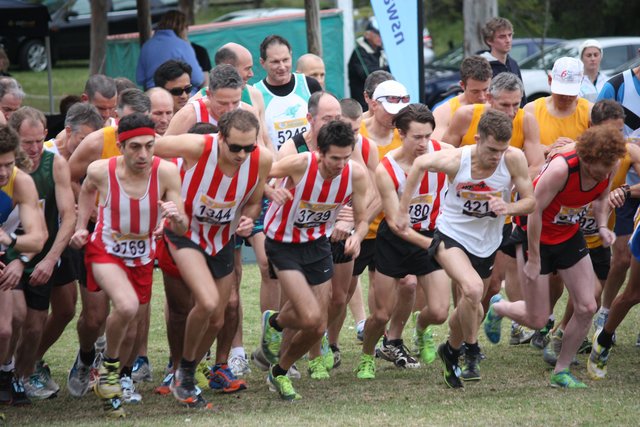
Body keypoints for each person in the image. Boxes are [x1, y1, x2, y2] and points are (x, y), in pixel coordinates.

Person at [397, 109, 535, 388]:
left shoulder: (513, 159)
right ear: (477, 139)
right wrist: (402, 210)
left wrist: (508, 207)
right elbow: (420, 163)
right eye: (492, 149)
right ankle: (471, 350)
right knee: (472, 290)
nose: (497, 156)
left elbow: (530, 201)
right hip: (451, 235)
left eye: (502, 149)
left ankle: (450, 350)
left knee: (474, 310)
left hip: (488, 242)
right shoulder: (456, 160)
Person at [486, 125, 626, 388]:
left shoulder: (609, 167)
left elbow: (600, 199)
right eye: (598, 168)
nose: (602, 174)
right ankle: (499, 308)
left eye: (608, 168)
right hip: (534, 234)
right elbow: (533, 211)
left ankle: (560, 371)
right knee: (538, 318)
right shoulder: (562, 169)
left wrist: (603, 226)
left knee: (587, 306)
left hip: (567, 235)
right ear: (586, 157)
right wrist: (535, 258)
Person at [70, 113, 187, 417]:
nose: (144, 155)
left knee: (132, 326)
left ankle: (111, 386)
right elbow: (85, 190)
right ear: (120, 146)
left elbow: (184, 227)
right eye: (135, 147)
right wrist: (82, 225)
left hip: (142, 255)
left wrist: (176, 217)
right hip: (105, 249)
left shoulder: (167, 173)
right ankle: (106, 369)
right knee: (125, 306)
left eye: (150, 146)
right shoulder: (101, 170)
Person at [154, 109, 271, 407]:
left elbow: (255, 202)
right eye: (235, 148)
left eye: (249, 147)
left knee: (217, 316)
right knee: (203, 303)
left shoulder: (262, 160)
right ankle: (184, 372)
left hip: (221, 240)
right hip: (185, 233)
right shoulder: (199, 147)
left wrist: (248, 219)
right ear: (220, 138)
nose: (242, 154)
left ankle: (186, 373)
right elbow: (151, 145)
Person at [261, 119, 369, 400]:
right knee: (309, 315)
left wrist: (357, 234)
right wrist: (269, 189)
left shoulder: (355, 174)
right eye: (334, 158)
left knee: (318, 326)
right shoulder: (300, 164)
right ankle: (276, 326)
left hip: (317, 244)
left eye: (346, 157)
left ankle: (279, 369)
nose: (341, 164)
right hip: (282, 243)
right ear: (319, 152)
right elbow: (255, 173)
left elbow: (363, 217)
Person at [66, 88, 151, 399]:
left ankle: (120, 375)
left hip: (137, 243)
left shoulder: (150, 149)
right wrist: (86, 216)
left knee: (132, 313)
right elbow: (71, 176)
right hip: (99, 237)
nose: (132, 135)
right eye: (126, 124)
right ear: (116, 118)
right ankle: (87, 355)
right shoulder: (98, 142)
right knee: (94, 317)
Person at [356, 104, 451, 380]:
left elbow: (477, 157)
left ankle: (420, 330)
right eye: (417, 137)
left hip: (431, 234)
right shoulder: (387, 169)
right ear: (400, 134)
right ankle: (367, 355)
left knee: (439, 311)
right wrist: (433, 246)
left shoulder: (443, 153)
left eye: (427, 136)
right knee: (381, 314)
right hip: (396, 241)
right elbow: (397, 225)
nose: (424, 143)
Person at [6, 107, 76, 401]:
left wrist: (50, 259)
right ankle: (6, 373)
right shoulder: (7, 168)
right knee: (13, 318)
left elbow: (68, 216)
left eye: (39, 141)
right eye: (27, 143)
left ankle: (21, 377)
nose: (34, 149)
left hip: (39, 252)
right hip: (8, 253)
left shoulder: (54, 164)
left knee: (35, 327)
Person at [0, 124, 48, 406]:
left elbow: (38, 237)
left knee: (7, 328)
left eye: (8, 164)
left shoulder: (20, 181)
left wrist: (11, 243)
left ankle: (6, 372)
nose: (3, 172)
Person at [595, 59, 640, 345]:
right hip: (624, 186)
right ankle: (605, 312)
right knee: (622, 258)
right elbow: (595, 128)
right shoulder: (616, 86)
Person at [254, 35, 322, 151]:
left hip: (311, 162)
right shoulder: (256, 93)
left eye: (285, 60)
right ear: (262, 62)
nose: (282, 67)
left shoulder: (309, 85)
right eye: (275, 62)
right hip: (278, 164)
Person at [524, 57, 592, 153]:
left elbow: (602, 146)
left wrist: (575, 146)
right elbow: (517, 150)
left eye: (571, 92)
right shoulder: (531, 110)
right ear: (550, 80)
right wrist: (547, 149)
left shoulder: (589, 111)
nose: (566, 97)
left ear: (581, 82)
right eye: (561, 91)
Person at [136, 10, 203, 92]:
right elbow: (198, 79)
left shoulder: (146, 46)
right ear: (182, 27)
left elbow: (140, 79)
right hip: (180, 96)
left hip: (154, 95)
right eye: (186, 28)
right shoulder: (182, 45)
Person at [432, 56, 493, 140]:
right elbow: (437, 148)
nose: (482, 97)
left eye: (486, 89)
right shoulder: (444, 112)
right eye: (475, 92)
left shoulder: (500, 105)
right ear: (462, 85)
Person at [479, 17, 525, 105]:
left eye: (510, 35)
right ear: (489, 40)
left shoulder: (513, 63)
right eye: (502, 37)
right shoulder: (482, 66)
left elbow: (522, 97)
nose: (508, 40)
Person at [348, 18, 389, 109]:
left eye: (382, 34)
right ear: (367, 35)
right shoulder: (359, 53)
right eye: (377, 33)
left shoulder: (381, 52)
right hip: (362, 105)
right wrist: (388, 69)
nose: (380, 37)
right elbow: (368, 74)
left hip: (378, 103)